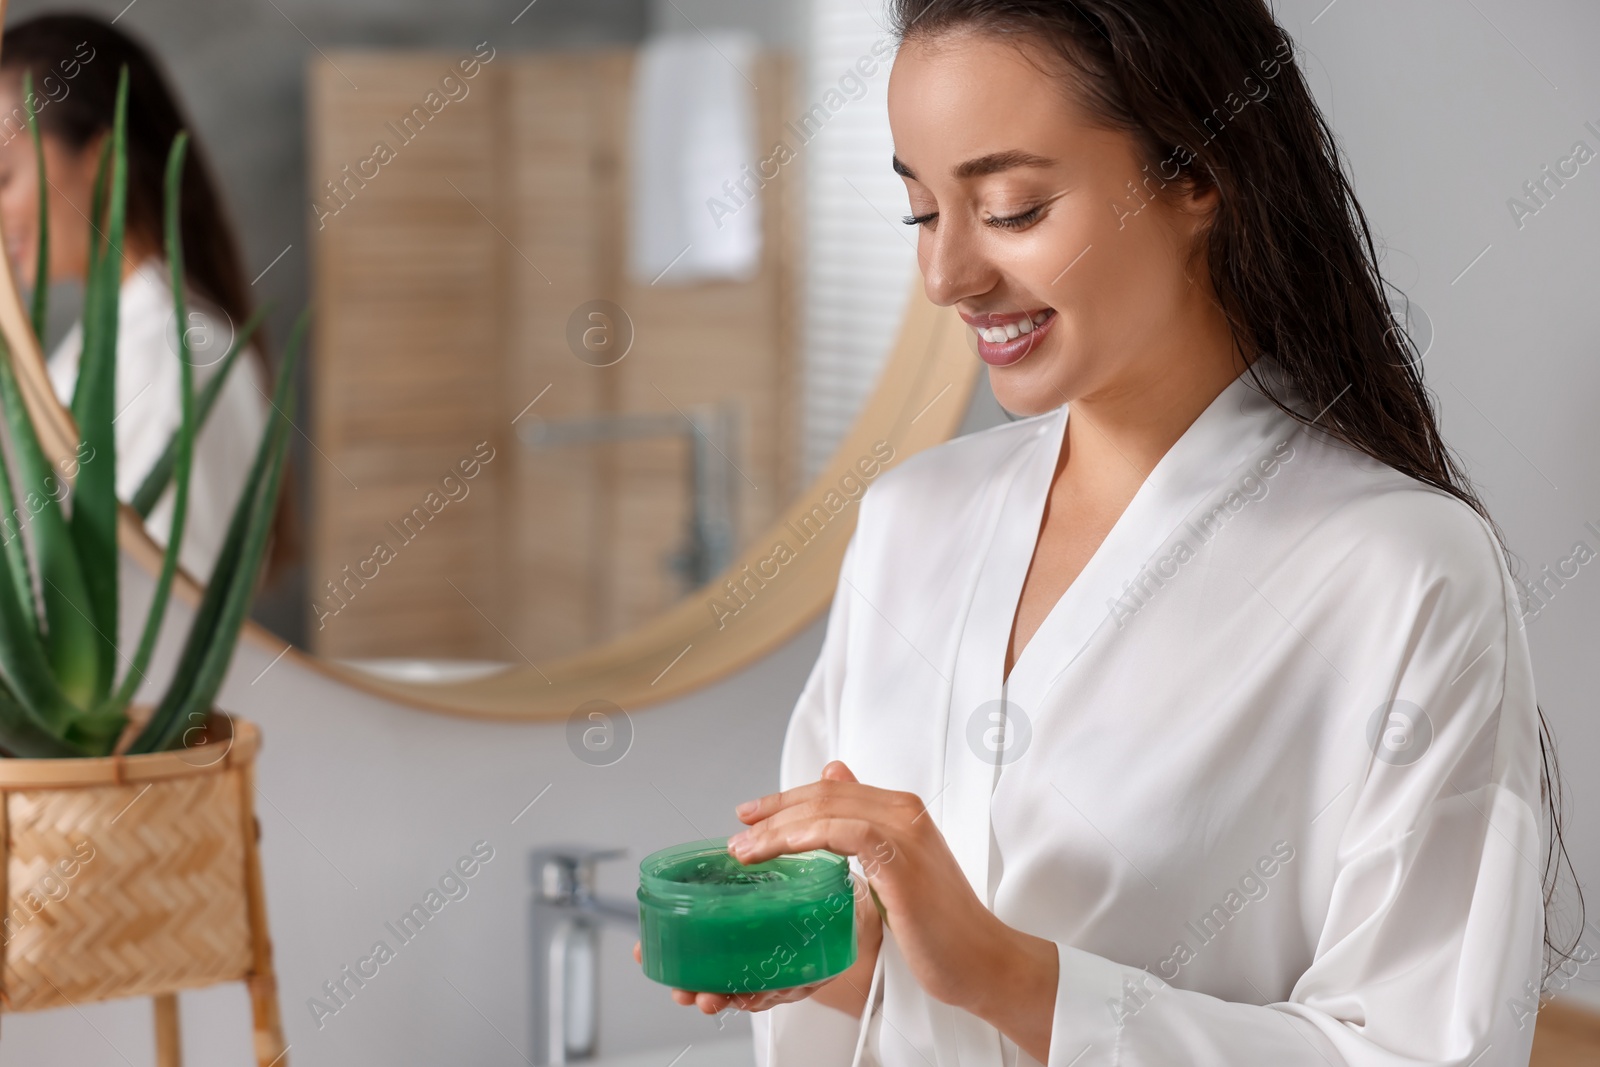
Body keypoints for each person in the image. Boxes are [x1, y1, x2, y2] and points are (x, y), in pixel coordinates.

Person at [636, 2, 1580, 1065]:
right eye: (919, 213)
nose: (948, 276)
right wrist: (824, 958)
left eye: (1013, 207)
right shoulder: (908, 523)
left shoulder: (1399, 570)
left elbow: (1423, 1050)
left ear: (1197, 175)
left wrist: (1009, 973)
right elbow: (898, 1009)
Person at [0, 13, 280, 582]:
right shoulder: (107, 341)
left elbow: (170, 622)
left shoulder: (179, 353)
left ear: (102, 161)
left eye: (4, 178)